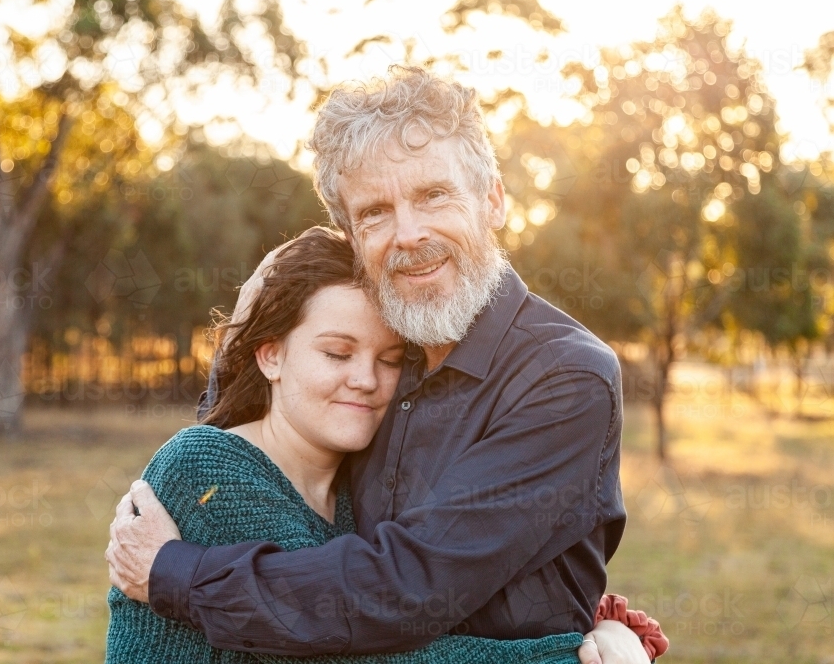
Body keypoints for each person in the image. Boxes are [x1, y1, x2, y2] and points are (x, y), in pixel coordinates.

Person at [107, 67, 668, 663]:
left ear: (493, 200)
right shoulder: (385, 346)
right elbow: (252, 457)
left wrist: (178, 574)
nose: (408, 233)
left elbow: (408, 586)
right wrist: (258, 305)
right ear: (351, 236)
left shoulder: (563, 376)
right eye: (374, 211)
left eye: (434, 195)